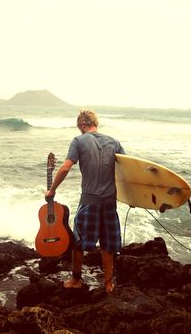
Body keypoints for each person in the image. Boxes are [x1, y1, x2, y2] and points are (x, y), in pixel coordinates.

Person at [45, 109, 125, 293]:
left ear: (82, 125)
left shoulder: (78, 141)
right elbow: (126, 171)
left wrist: (52, 190)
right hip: (109, 202)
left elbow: (65, 168)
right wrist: (133, 198)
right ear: (95, 123)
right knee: (107, 244)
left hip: (89, 200)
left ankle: (76, 280)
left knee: (78, 242)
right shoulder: (115, 142)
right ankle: (108, 284)